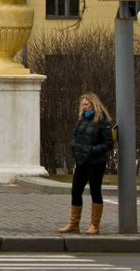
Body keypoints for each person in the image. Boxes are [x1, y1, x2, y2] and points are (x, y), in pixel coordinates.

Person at [59, 91, 115, 235]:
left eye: (87, 103)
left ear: (93, 104)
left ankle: (94, 225)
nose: (84, 106)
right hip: (82, 161)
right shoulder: (82, 120)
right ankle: (74, 223)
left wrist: (91, 150)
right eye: (82, 104)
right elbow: (74, 137)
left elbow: (108, 144)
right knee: (76, 191)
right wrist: (74, 146)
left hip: (96, 162)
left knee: (95, 191)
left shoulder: (102, 121)